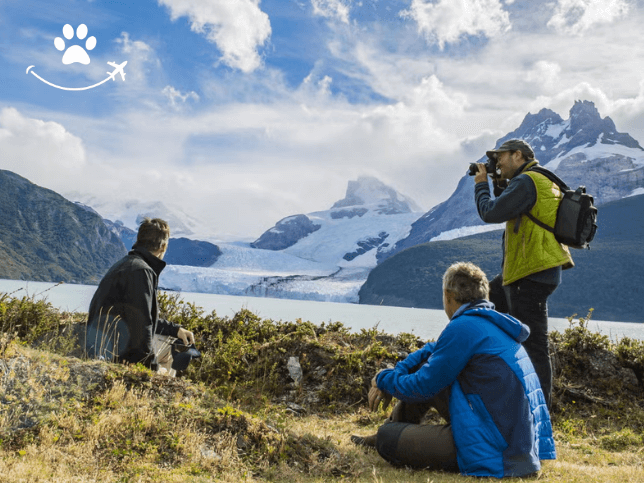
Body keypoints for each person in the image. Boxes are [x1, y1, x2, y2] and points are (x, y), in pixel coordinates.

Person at [352, 262, 555, 478]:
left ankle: (386, 434)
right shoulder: (489, 323)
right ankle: (394, 427)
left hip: (497, 449)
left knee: (387, 438)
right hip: (516, 443)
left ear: (448, 295)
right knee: (428, 369)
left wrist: (382, 378)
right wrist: (397, 370)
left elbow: (421, 386)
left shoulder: (463, 327)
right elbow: (434, 350)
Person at [473, 139, 574, 408]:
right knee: (483, 306)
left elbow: (490, 212)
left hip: (529, 274)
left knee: (534, 345)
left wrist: (481, 183)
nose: (498, 163)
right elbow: (513, 204)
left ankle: (540, 413)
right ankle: (498, 392)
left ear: (518, 155)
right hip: (532, 272)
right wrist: (496, 180)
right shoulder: (541, 178)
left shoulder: (527, 181)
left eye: (501, 157)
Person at [86, 217, 196, 374]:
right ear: (163, 246)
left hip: (106, 346)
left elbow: (137, 316)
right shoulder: (141, 271)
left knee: (175, 340)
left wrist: (175, 330)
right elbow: (142, 327)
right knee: (172, 355)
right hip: (117, 354)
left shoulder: (127, 264)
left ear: (139, 240)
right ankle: (156, 393)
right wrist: (150, 370)